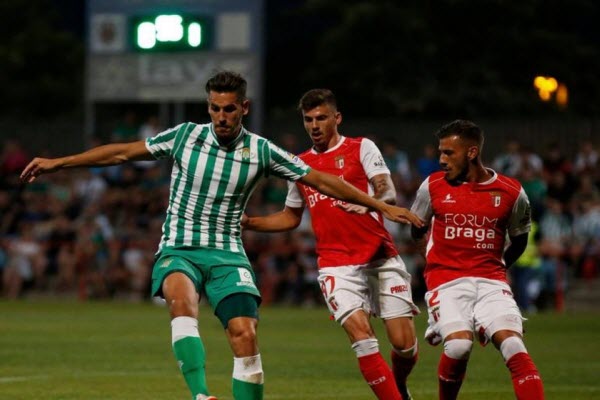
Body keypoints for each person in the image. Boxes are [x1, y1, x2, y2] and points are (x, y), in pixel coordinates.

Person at [20, 72, 422, 400]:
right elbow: (122, 152)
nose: (221, 117)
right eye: (214, 108)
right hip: (180, 247)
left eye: (229, 109)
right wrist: (59, 163)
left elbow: (320, 180)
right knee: (182, 301)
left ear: (243, 108)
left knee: (245, 335)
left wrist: (380, 205)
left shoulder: (262, 151)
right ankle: (201, 395)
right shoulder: (185, 137)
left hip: (228, 253)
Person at [243, 89, 420, 400]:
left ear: (337, 118)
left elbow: (387, 189)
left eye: (321, 118)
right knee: (362, 338)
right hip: (336, 265)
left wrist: (371, 203)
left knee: (403, 345)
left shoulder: (361, 147)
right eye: (308, 119)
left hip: (379, 257)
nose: (314, 125)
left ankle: (399, 384)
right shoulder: (300, 165)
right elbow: (290, 217)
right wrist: (248, 222)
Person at [410, 120, 545, 400]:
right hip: (446, 281)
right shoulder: (432, 185)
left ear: (472, 152)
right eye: (441, 152)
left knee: (514, 346)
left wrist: (499, 267)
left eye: (449, 153)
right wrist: (434, 261)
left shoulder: (511, 191)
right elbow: (417, 227)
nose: (441, 159)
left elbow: (520, 239)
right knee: (459, 347)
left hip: (491, 282)